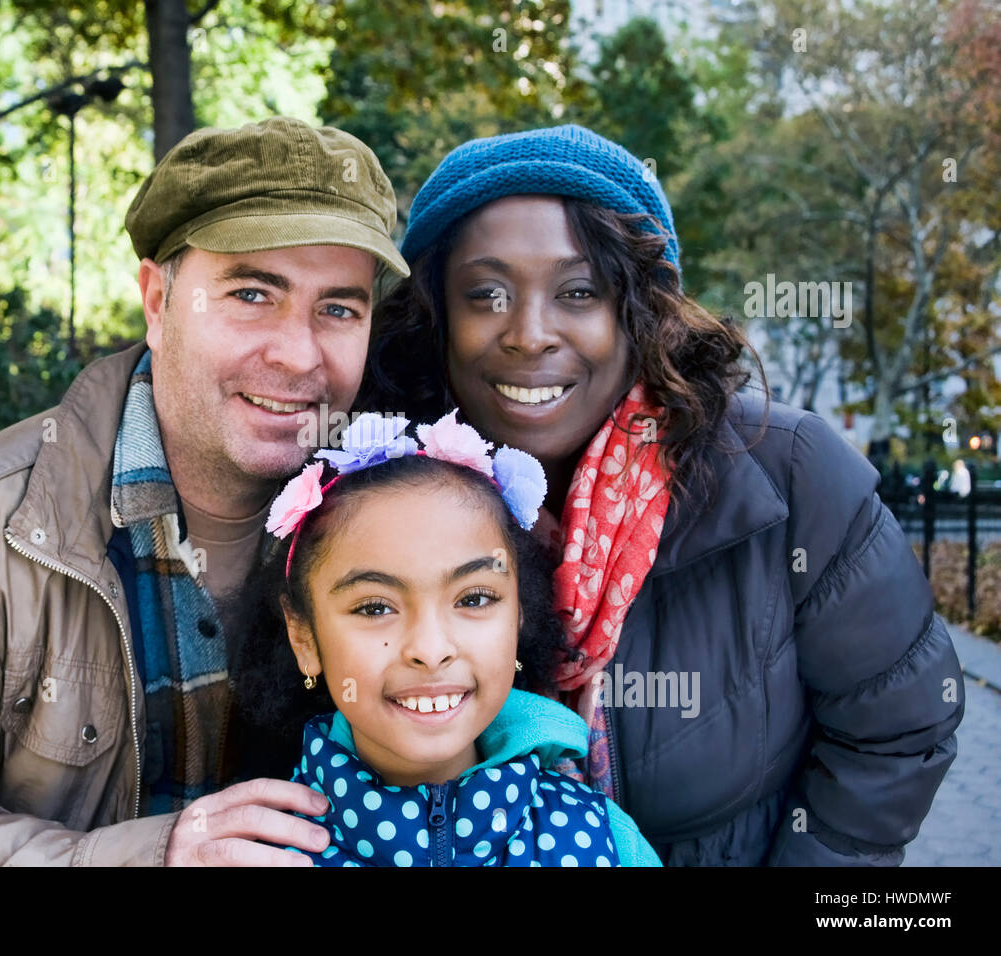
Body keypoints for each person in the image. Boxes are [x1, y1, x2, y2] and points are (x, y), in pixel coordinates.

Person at [0, 117, 409, 866]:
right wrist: (148, 857)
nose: (297, 353)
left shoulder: (397, 512)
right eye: (253, 294)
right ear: (157, 302)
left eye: (338, 308)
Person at [357, 124, 964, 865]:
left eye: (579, 292)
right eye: (485, 294)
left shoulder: (790, 473)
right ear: (437, 317)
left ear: (640, 312)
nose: (529, 334)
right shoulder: (366, 495)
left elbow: (898, 727)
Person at [232, 412, 661, 866]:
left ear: (519, 613)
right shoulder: (255, 855)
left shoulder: (603, 839)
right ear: (304, 637)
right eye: (375, 608)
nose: (431, 650)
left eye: (474, 599)